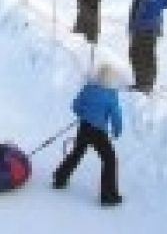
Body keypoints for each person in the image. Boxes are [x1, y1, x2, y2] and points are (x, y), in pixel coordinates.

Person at [52, 63, 123, 207]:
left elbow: (75, 106)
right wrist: (117, 130)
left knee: (77, 153)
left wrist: (83, 114)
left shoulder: (88, 88)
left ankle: (59, 178)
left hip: (84, 128)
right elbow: (116, 116)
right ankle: (108, 196)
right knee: (110, 160)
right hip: (98, 133)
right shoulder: (111, 95)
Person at [127, 0, 167, 92]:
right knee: (137, 54)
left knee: (143, 56)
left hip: (146, 29)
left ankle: (145, 85)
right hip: (143, 28)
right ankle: (142, 82)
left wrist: (141, 23)